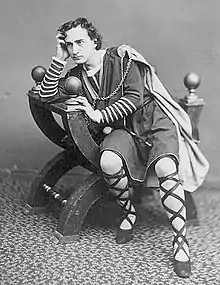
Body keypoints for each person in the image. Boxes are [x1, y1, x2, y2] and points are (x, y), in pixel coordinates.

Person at [38, 17, 209, 278]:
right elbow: (46, 94)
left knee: (165, 166)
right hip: (122, 129)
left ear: (94, 41)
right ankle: (128, 212)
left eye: (80, 42)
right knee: (108, 161)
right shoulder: (75, 76)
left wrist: (97, 116)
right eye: (69, 45)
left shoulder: (122, 58)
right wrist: (59, 60)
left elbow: (134, 98)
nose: (75, 50)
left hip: (151, 120)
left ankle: (180, 242)